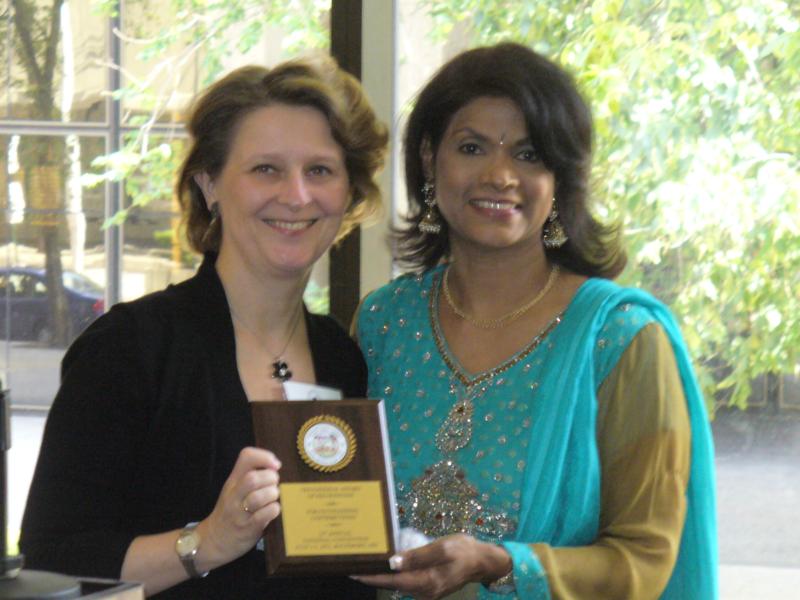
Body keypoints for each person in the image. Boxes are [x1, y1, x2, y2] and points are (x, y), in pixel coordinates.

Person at [354, 43, 717, 599]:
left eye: (529, 155)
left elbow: (644, 561)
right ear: (429, 159)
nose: (500, 175)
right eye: (472, 147)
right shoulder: (384, 323)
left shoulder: (620, 339)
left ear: (560, 179)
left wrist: (504, 565)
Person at [20, 55, 387, 599]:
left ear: (349, 191)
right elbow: (51, 563)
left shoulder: (344, 355)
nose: (296, 195)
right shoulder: (130, 348)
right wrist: (208, 543)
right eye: (266, 169)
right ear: (210, 184)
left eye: (320, 170)